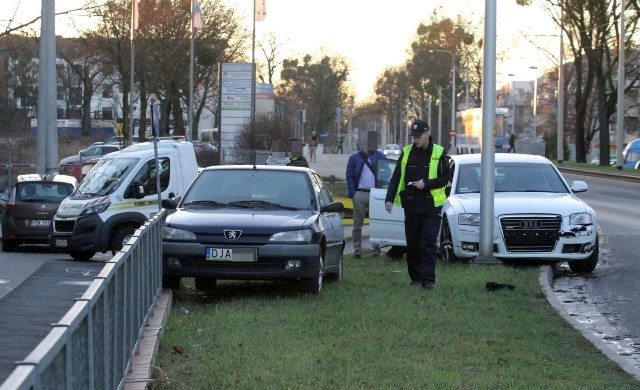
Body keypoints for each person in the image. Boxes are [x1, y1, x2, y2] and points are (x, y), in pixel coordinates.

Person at [384, 120, 451, 289]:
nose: (415, 139)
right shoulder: (406, 152)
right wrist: (389, 198)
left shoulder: (439, 152)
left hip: (431, 207)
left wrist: (425, 184)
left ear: (427, 133)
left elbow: (444, 179)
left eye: (418, 135)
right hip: (411, 206)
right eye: (413, 136)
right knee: (412, 245)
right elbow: (396, 177)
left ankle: (428, 280)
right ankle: (415, 279)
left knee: (428, 244)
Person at [346, 131, 386, 259]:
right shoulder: (354, 158)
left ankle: (376, 249)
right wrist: (353, 193)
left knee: (376, 223)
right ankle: (357, 250)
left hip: (375, 194)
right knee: (357, 224)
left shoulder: (380, 156)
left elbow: (387, 172)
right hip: (360, 194)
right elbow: (349, 176)